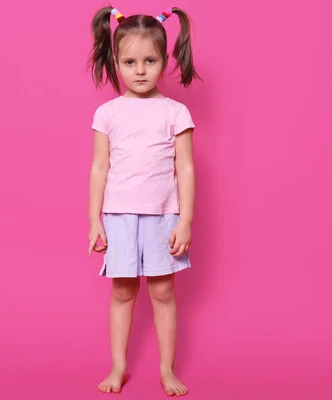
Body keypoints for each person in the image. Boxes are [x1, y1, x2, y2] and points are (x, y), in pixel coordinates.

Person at [87, 5, 201, 397]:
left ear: (163, 60)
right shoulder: (107, 113)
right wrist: (94, 220)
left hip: (162, 217)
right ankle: (118, 366)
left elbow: (185, 169)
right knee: (122, 292)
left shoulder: (176, 112)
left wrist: (185, 220)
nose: (140, 70)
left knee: (163, 292)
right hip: (118, 215)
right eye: (131, 61)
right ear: (116, 61)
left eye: (149, 61)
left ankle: (166, 369)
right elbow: (99, 168)